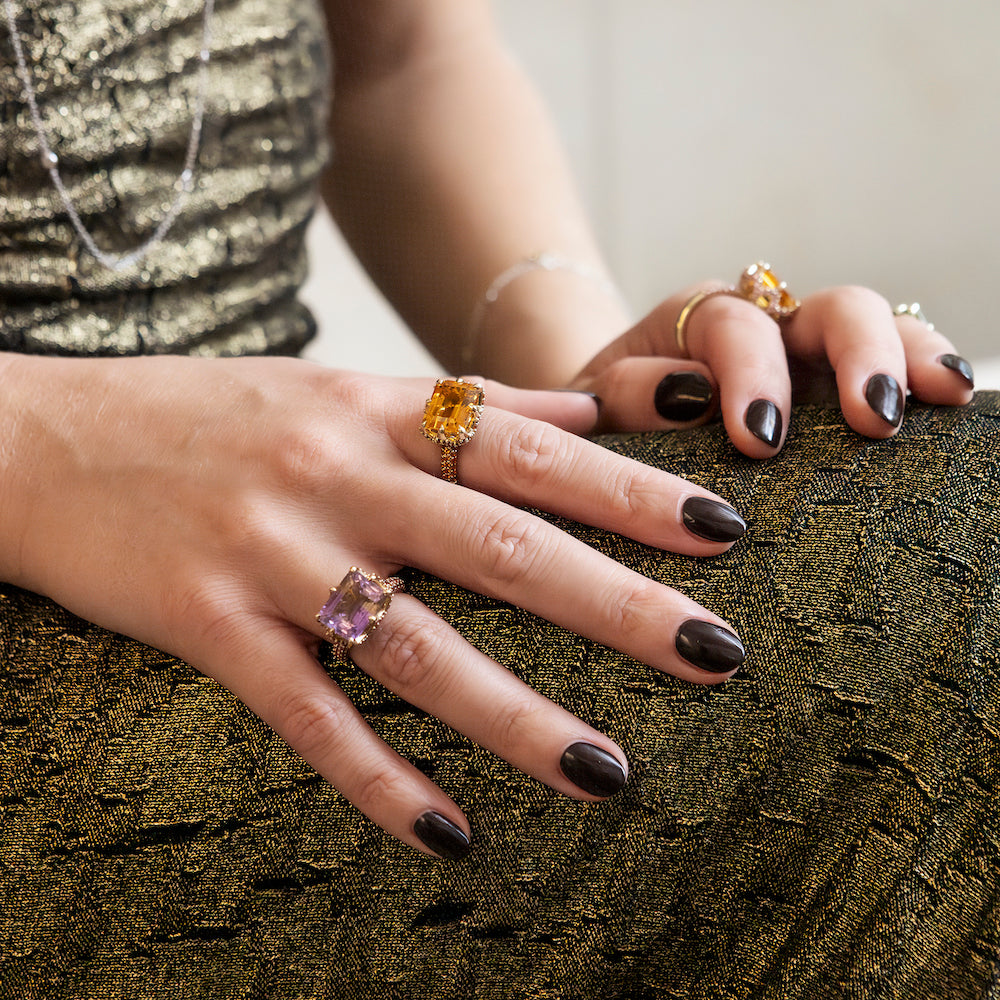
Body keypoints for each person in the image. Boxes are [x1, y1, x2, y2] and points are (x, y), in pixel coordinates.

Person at [2, 2, 996, 996]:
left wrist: (574, 395)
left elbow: (401, 57)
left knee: (917, 483)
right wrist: (61, 447)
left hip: (286, 514)